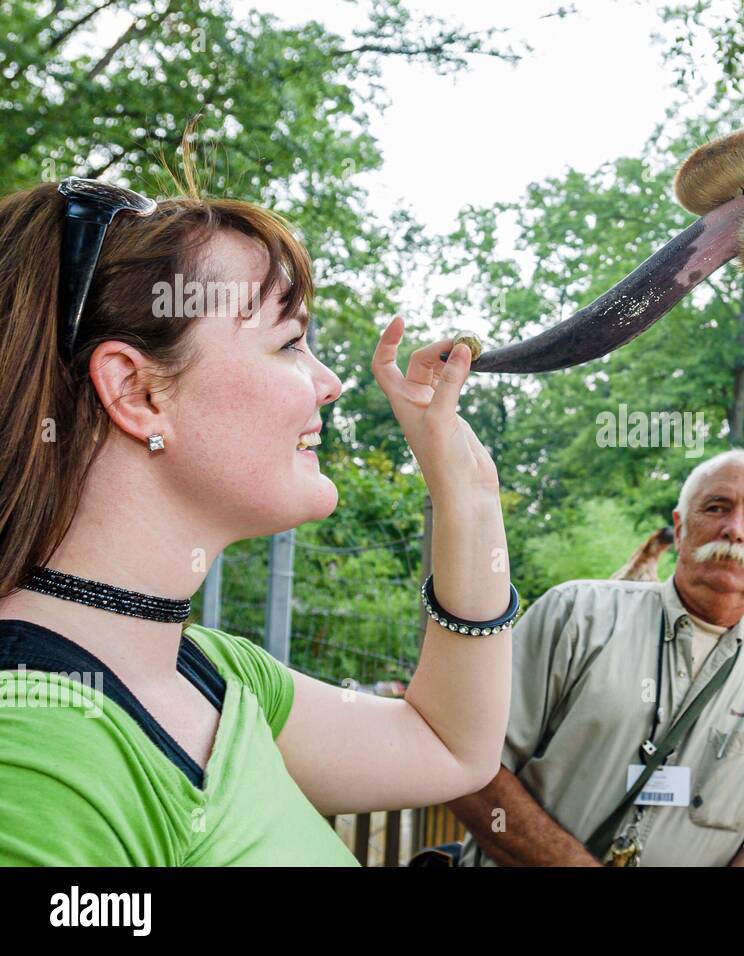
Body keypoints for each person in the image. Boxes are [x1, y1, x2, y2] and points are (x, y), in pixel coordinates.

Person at [0, 158, 514, 865]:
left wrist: (469, 496)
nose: (329, 384)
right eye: (289, 342)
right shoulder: (31, 754)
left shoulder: (213, 675)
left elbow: (451, 749)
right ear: (140, 393)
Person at [450, 449, 744, 866]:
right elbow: (469, 771)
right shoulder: (575, 615)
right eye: (716, 507)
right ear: (680, 527)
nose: (734, 530)